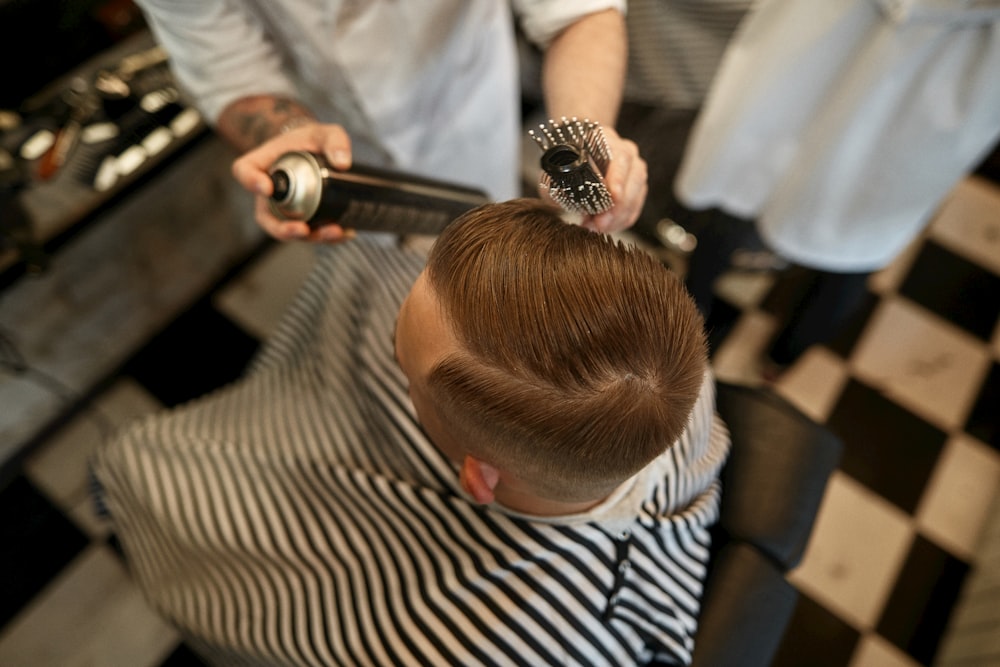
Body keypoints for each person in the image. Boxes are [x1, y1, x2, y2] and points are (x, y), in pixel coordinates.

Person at [91, 198, 731, 666]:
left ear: (478, 477)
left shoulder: (479, 642)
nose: (394, 353)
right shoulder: (675, 374)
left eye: (405, 369)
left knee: (143, 466)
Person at [133, 0, 648, 242]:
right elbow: (228, 67)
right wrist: (288, 136)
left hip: (462, 107)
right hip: (337, 161)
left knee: (486, 235)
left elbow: (575, 13)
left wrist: (587, 133)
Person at [672, 0, 1000, 374]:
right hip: (929, 57)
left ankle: (763, 346)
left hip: (929, 55)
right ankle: (727, 338)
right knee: (826, 231)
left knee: (784, 205)